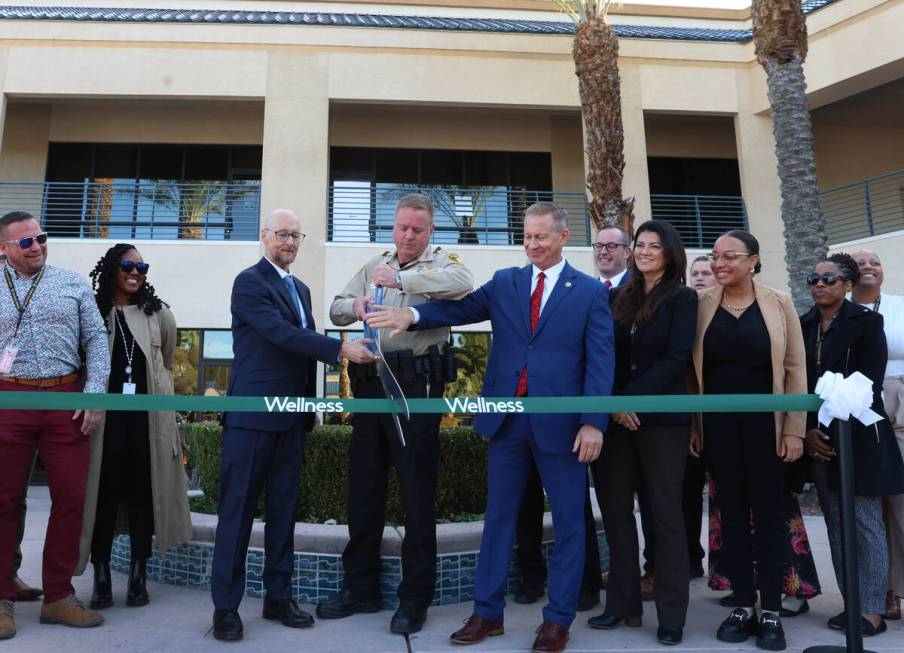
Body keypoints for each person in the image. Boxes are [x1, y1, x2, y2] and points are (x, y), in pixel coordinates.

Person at [367, 201, 614, 653]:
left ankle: (557, 620)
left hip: (562, 426)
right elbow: (460, 310)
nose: (532, 244)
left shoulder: (590, 293)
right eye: (527, 236)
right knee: (497, 521)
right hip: (506, 423)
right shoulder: (507, 282)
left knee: (569, 525)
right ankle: (487, 614)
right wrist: (413, 316)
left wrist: (593, 422)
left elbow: (601, 363)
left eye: (541, 237)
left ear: (562, 237)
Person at [210, 209, 375, 642]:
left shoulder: (301, 288)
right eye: (282, 234)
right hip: (251, 419)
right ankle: (225, 607)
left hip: (292, 420)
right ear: (264, 236)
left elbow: (298, 350)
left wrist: (309, 409)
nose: (289, 242)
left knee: (284, 514)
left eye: (295, 236)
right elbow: (279, 334)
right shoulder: (249, 282)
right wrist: (340, 350)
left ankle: (277, 597)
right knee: (237, 515)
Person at [319, 194, 474, 634]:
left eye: (418, 229)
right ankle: (360, 588)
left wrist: (405, 282)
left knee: (417, 491)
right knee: (364, 486)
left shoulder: (443, 263)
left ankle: (415, 597)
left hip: (416, 386)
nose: (408, 235)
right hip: (370, 384)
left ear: (430, 232)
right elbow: (335, 307)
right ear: (393, 227)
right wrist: (358, 307)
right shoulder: (374, 264)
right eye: (402, 227)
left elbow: (463, 281)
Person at [691, 230, 806, 651]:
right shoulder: (702, 304)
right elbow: (691, 372)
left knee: (771, 517)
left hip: (768, 429)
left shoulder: (779, 302)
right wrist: (695, 428)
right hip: (719, 429)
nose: (719, 264)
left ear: (753, 261)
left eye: (730, 257)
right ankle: (743, 604)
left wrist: (794, 428)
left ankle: (772, 609)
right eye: (715, 257)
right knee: (732, 516)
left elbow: (795, 368)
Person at [0, 210, 109, 639]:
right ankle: (2, 597)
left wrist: (95, 394)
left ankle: (59, 597)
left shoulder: (73, 282)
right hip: (8, 396)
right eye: (25, 242)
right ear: (5, 248)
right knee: (4, 499)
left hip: (67, 397)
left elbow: (96, 340)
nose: (37, 246)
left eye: (41, 238)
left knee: (70, 498)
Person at [588, 221, 696, 646]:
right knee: (615, 511)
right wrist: (616, 402)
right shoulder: (616, 296)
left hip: (661, 422)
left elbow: (676, 357)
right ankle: (622, 604)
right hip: (616, 421)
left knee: (665, 514)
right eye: (640, 245)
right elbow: (600, 353)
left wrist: (630, 399)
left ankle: (672, 614)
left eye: (654, 246)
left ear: (670, 253)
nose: (645, 251)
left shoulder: (683, 299)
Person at [73, 244, 193, 609]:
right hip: (104, 424)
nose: (136, 271)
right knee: (102, 498)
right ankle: (102, 576)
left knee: (144, 497)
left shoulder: (159, 314)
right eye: (128, 264)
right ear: (112, 268)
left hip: (147, 422)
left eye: (142, 266)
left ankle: (139, 576)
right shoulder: (93, 311)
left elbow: (166, 361)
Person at [802, 253, 904, 637]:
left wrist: (829, 422)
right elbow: (798, 381)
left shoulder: (867, 322)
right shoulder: (804, 324)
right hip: (820, 439)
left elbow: (867, 380)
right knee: (835, 524)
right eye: (814, 278)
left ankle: (873, 610)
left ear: (847, 284)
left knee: (865, 523)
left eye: (830, 278)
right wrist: (810, 430)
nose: (820, 284)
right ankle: (853, 604)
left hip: (861, 436)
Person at [850, 249, 904, 621]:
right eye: (860, 263)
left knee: (901, 504)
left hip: (900, 403)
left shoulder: (901, 305)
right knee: (870, 506)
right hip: (854, 408)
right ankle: (882, 590)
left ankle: (900, 589)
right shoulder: (835, 310)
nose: (869, 267)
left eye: (875, 262)